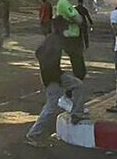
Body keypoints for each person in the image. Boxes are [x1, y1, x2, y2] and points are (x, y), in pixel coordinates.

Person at [25, 16, 88, 147]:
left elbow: (38, 53)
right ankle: (34, 134)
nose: (67, 29)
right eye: (65, 26)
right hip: (53, 77)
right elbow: (47, 59)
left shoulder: (53, 38)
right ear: (61, 27)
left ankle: (76, 114)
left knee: (78, 85)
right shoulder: (55, 40)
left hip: (55, 75)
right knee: (50, 108)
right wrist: (54, 76)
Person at [56, 0, 86, 80]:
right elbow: (79, 20)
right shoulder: (64, 3)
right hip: (70, 39)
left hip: (73, 38)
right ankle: (72, 91)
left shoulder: (67, 3)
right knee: (79, 70)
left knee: (79, 68)